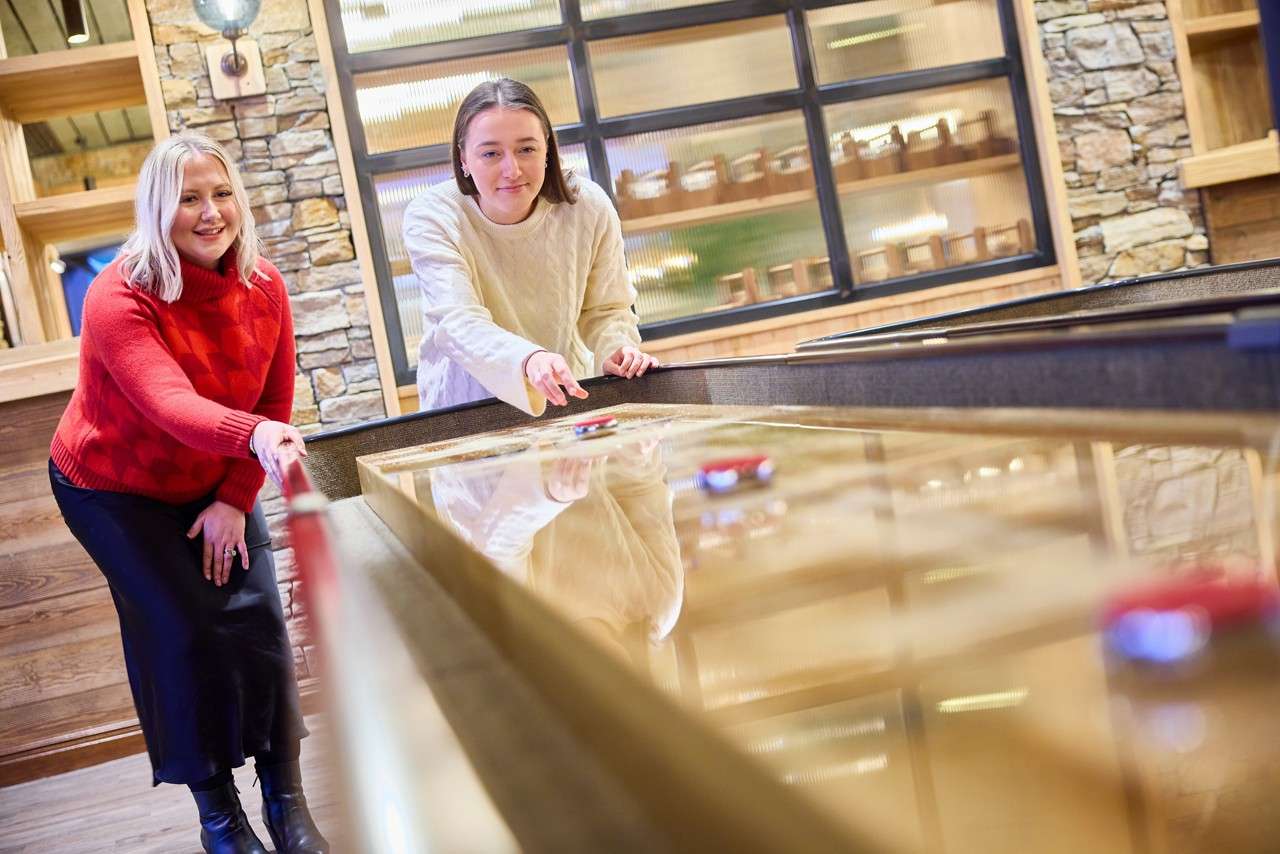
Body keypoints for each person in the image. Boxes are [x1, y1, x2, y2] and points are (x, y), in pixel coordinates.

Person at [47, 133, 328, 854]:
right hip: (115, 487)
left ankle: (287, 804)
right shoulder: (118, 295)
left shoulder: (264, 286)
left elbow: (273, 397)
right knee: (183, 632)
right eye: (189, 199)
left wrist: (235, 498)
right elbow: (170, 403)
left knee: (259, 622)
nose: (211, 212)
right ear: (156, 209)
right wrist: (257, 438)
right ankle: (219, 818)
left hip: (215, 474)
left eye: (222, 194)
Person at [403, 77, 660, 415]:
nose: (512, 170)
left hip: (562, 399)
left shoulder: (588, 205)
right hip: (465, 412)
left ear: (548, 150)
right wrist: (529, 359)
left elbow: (606, 309)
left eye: (526, 149)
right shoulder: (433, 215)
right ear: (463, 159)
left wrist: (616, 349)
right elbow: (458, 322)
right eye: (491, 153)